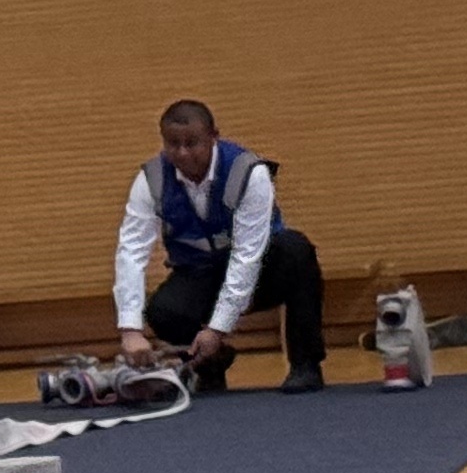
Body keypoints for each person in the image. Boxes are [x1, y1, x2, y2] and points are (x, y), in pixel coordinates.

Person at [114, 98, 327, 392]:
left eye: (192, 143)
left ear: (214, 137)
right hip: (200, 272)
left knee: (296, 250)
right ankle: (209, 365)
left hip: (261, 271)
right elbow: (132, 251)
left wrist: (217, 329)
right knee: (163, 311)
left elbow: (247, 255)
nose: (182, 153)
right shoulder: (150, 180)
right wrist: (130, 330)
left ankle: (306, 364)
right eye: (173, 144)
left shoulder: (250, 173)